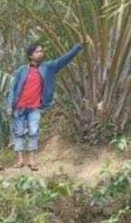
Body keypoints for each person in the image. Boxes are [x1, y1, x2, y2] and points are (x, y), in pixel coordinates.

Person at [8, 42, 83, 170]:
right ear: (30, 55)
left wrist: (78, 47)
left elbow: (64, 59)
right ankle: (20, 160)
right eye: (37, 51)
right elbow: (13, 89)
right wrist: (10, 105)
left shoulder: (48, 68)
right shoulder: (22, 70)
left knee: (33, 132)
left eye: (41, 51)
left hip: (35, 107)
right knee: (18, 133)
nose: (41, 53)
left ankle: (32, 161)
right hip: (19, 107)